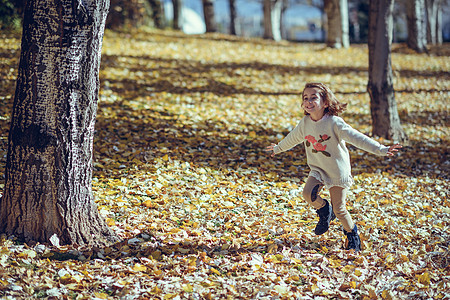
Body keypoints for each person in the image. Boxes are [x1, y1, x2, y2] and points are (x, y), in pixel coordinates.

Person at [265, 82, 401, 251]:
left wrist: (381, 149)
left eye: (313, 98)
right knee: (308, 194)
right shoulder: (305, 123)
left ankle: (352, 235)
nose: (308, 101)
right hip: (318, 168)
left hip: (337, 171)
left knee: (340, 209)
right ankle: (324, 210)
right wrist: (278, 148)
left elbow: (358, 138)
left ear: (326, 102)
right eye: (305, 98)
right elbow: (292, 138)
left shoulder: (334, 123)